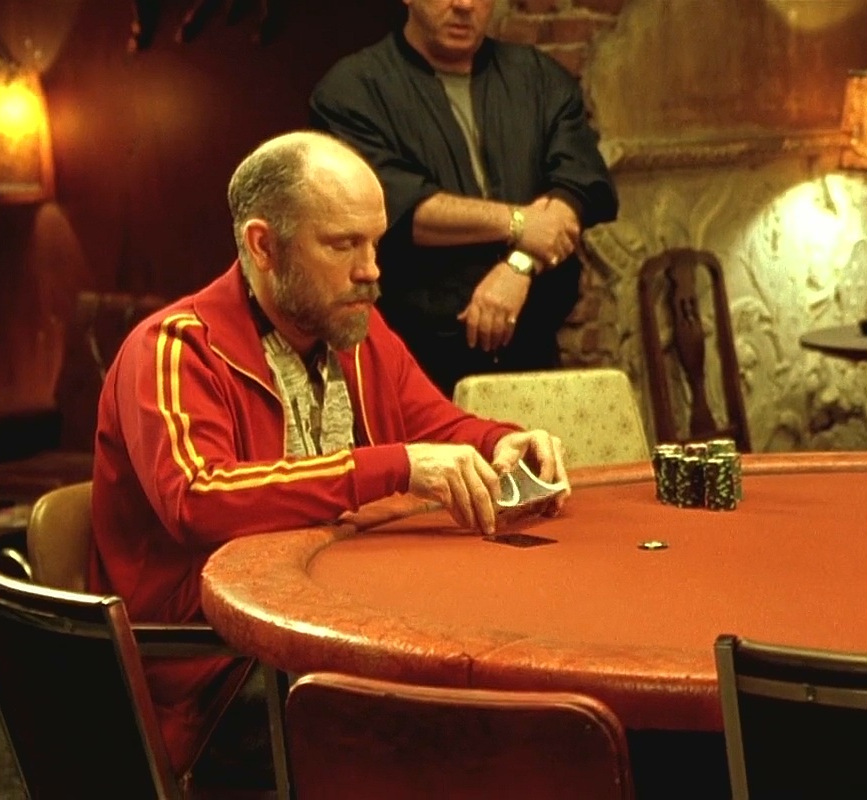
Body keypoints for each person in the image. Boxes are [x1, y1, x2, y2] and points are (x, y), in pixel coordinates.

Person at [90, 130, 571, 784]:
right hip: (213, 674)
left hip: (335, 629)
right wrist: (395, 467)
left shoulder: (352, 328)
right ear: (264, 245)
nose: (371, 270)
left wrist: (498, 441)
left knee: (509, 687)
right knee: (448, 732)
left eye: (374, 242)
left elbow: (436, 425)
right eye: (343, 245)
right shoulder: (173, 349)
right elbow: (198, 499)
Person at [310, 0, 618, 396]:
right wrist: (521, 223)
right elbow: (394, 206)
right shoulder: (353, 89)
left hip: (534, 351)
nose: (464, 5)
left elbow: (581, 183)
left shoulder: (538, 77)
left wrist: (520, 265)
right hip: (414, 363)